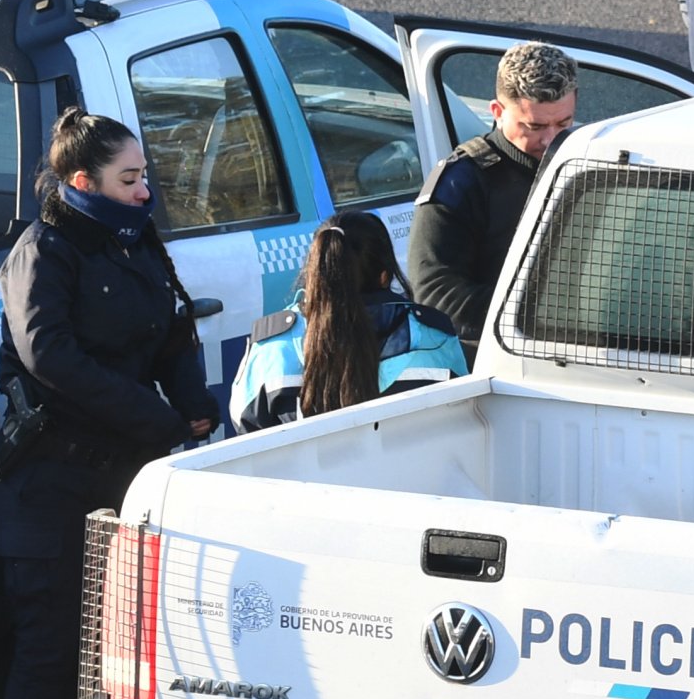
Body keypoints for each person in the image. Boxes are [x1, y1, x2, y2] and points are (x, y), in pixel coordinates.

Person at [0, 111, 212, 699]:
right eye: (129, 178)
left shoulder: (131, 233)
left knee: (108, 642)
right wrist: (153, 417)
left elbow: (174, 326)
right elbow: (51, 354)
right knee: (50, 644)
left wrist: (192, 405)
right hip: (51, 477)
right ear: (82, 182)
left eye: (145, 174)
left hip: (121, 469)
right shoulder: (43, 251)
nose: (145, 189)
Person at [228, 215, 469, 434]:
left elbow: (246, 430)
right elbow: (464, 415)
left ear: (314, 273)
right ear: (384, 276)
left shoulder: (271, 345)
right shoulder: (432, 336)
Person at [411, 41, 577, 339]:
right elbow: (435, 293)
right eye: (535, 127)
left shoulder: (585, 159)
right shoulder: (460, 183)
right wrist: (540, 314)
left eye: (563, 122)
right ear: (497, 111)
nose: (551, 139)